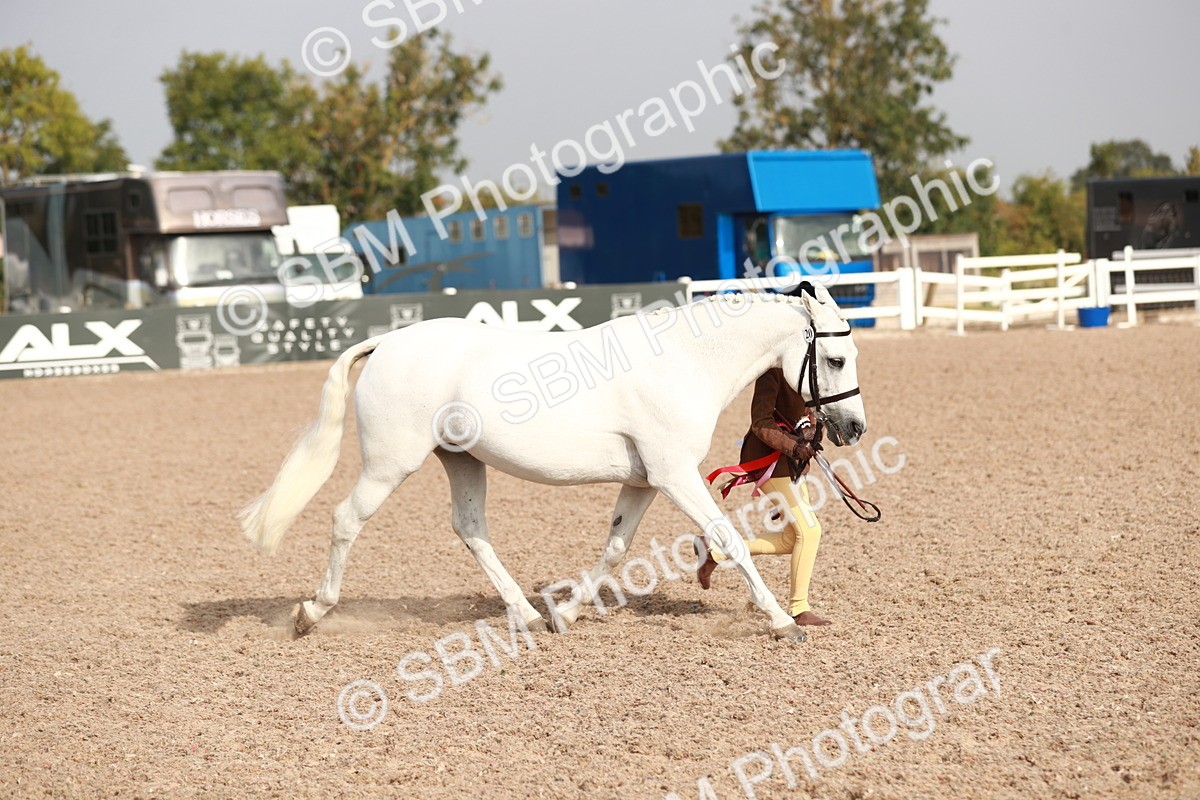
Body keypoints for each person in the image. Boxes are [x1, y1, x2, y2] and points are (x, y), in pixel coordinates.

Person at [696, 367, 831, 626]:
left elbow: (811, 412)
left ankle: (716, 551)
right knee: (810, 531)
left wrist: (812, 432)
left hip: (793, 465)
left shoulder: (809, 370)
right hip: (770, 462)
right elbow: (761, 422)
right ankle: (799, 609)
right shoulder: (772, 372)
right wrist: (793, 445)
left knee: (792, 540)